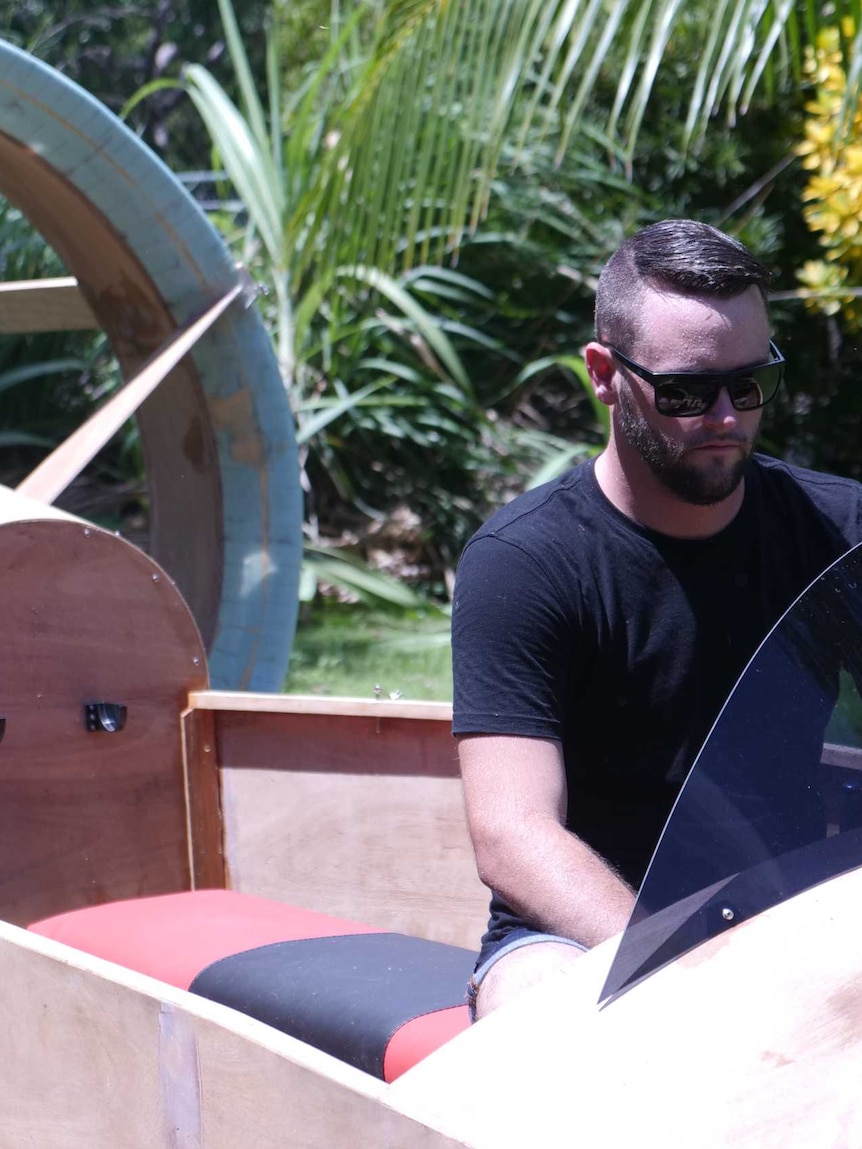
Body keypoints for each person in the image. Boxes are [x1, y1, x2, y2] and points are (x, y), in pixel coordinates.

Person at [451, 219, 862, 1019]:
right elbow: (512, 834)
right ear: (604, 375)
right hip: (577, 937)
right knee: (545, 1019)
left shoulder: (837, 531)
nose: (725, 416)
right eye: (685, 390)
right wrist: (687, 972)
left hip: (793, 911)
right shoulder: (525, 562)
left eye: (751, 385)